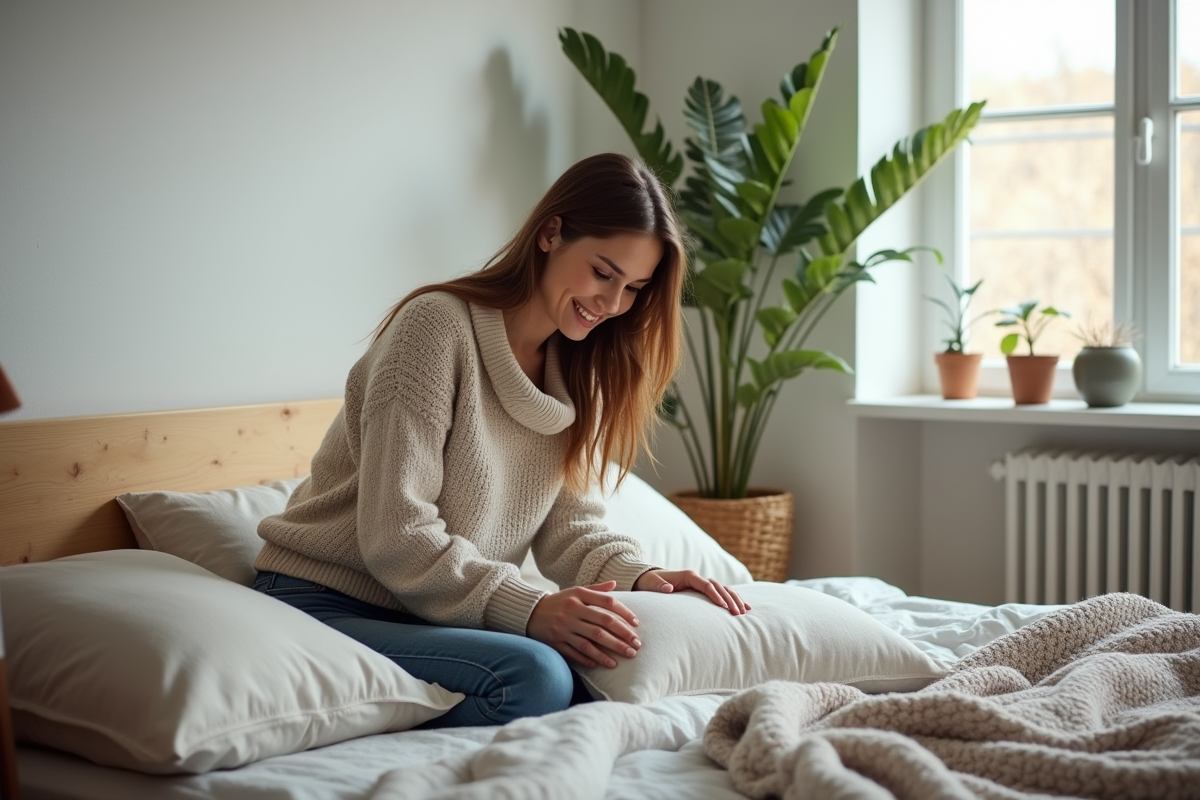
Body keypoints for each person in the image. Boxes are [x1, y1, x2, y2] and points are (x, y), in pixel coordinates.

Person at [253, 153, 748, 728]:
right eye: (603, 273)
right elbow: (396, 534)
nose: (613, 305)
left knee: (616, 668)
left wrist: (643, 578)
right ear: (550, 233)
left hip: (433, 610)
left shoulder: (578, 367)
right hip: (328, 597)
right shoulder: (436, 328)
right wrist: (530, 607)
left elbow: (570, 527)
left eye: (634, 288)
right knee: (538, 676)